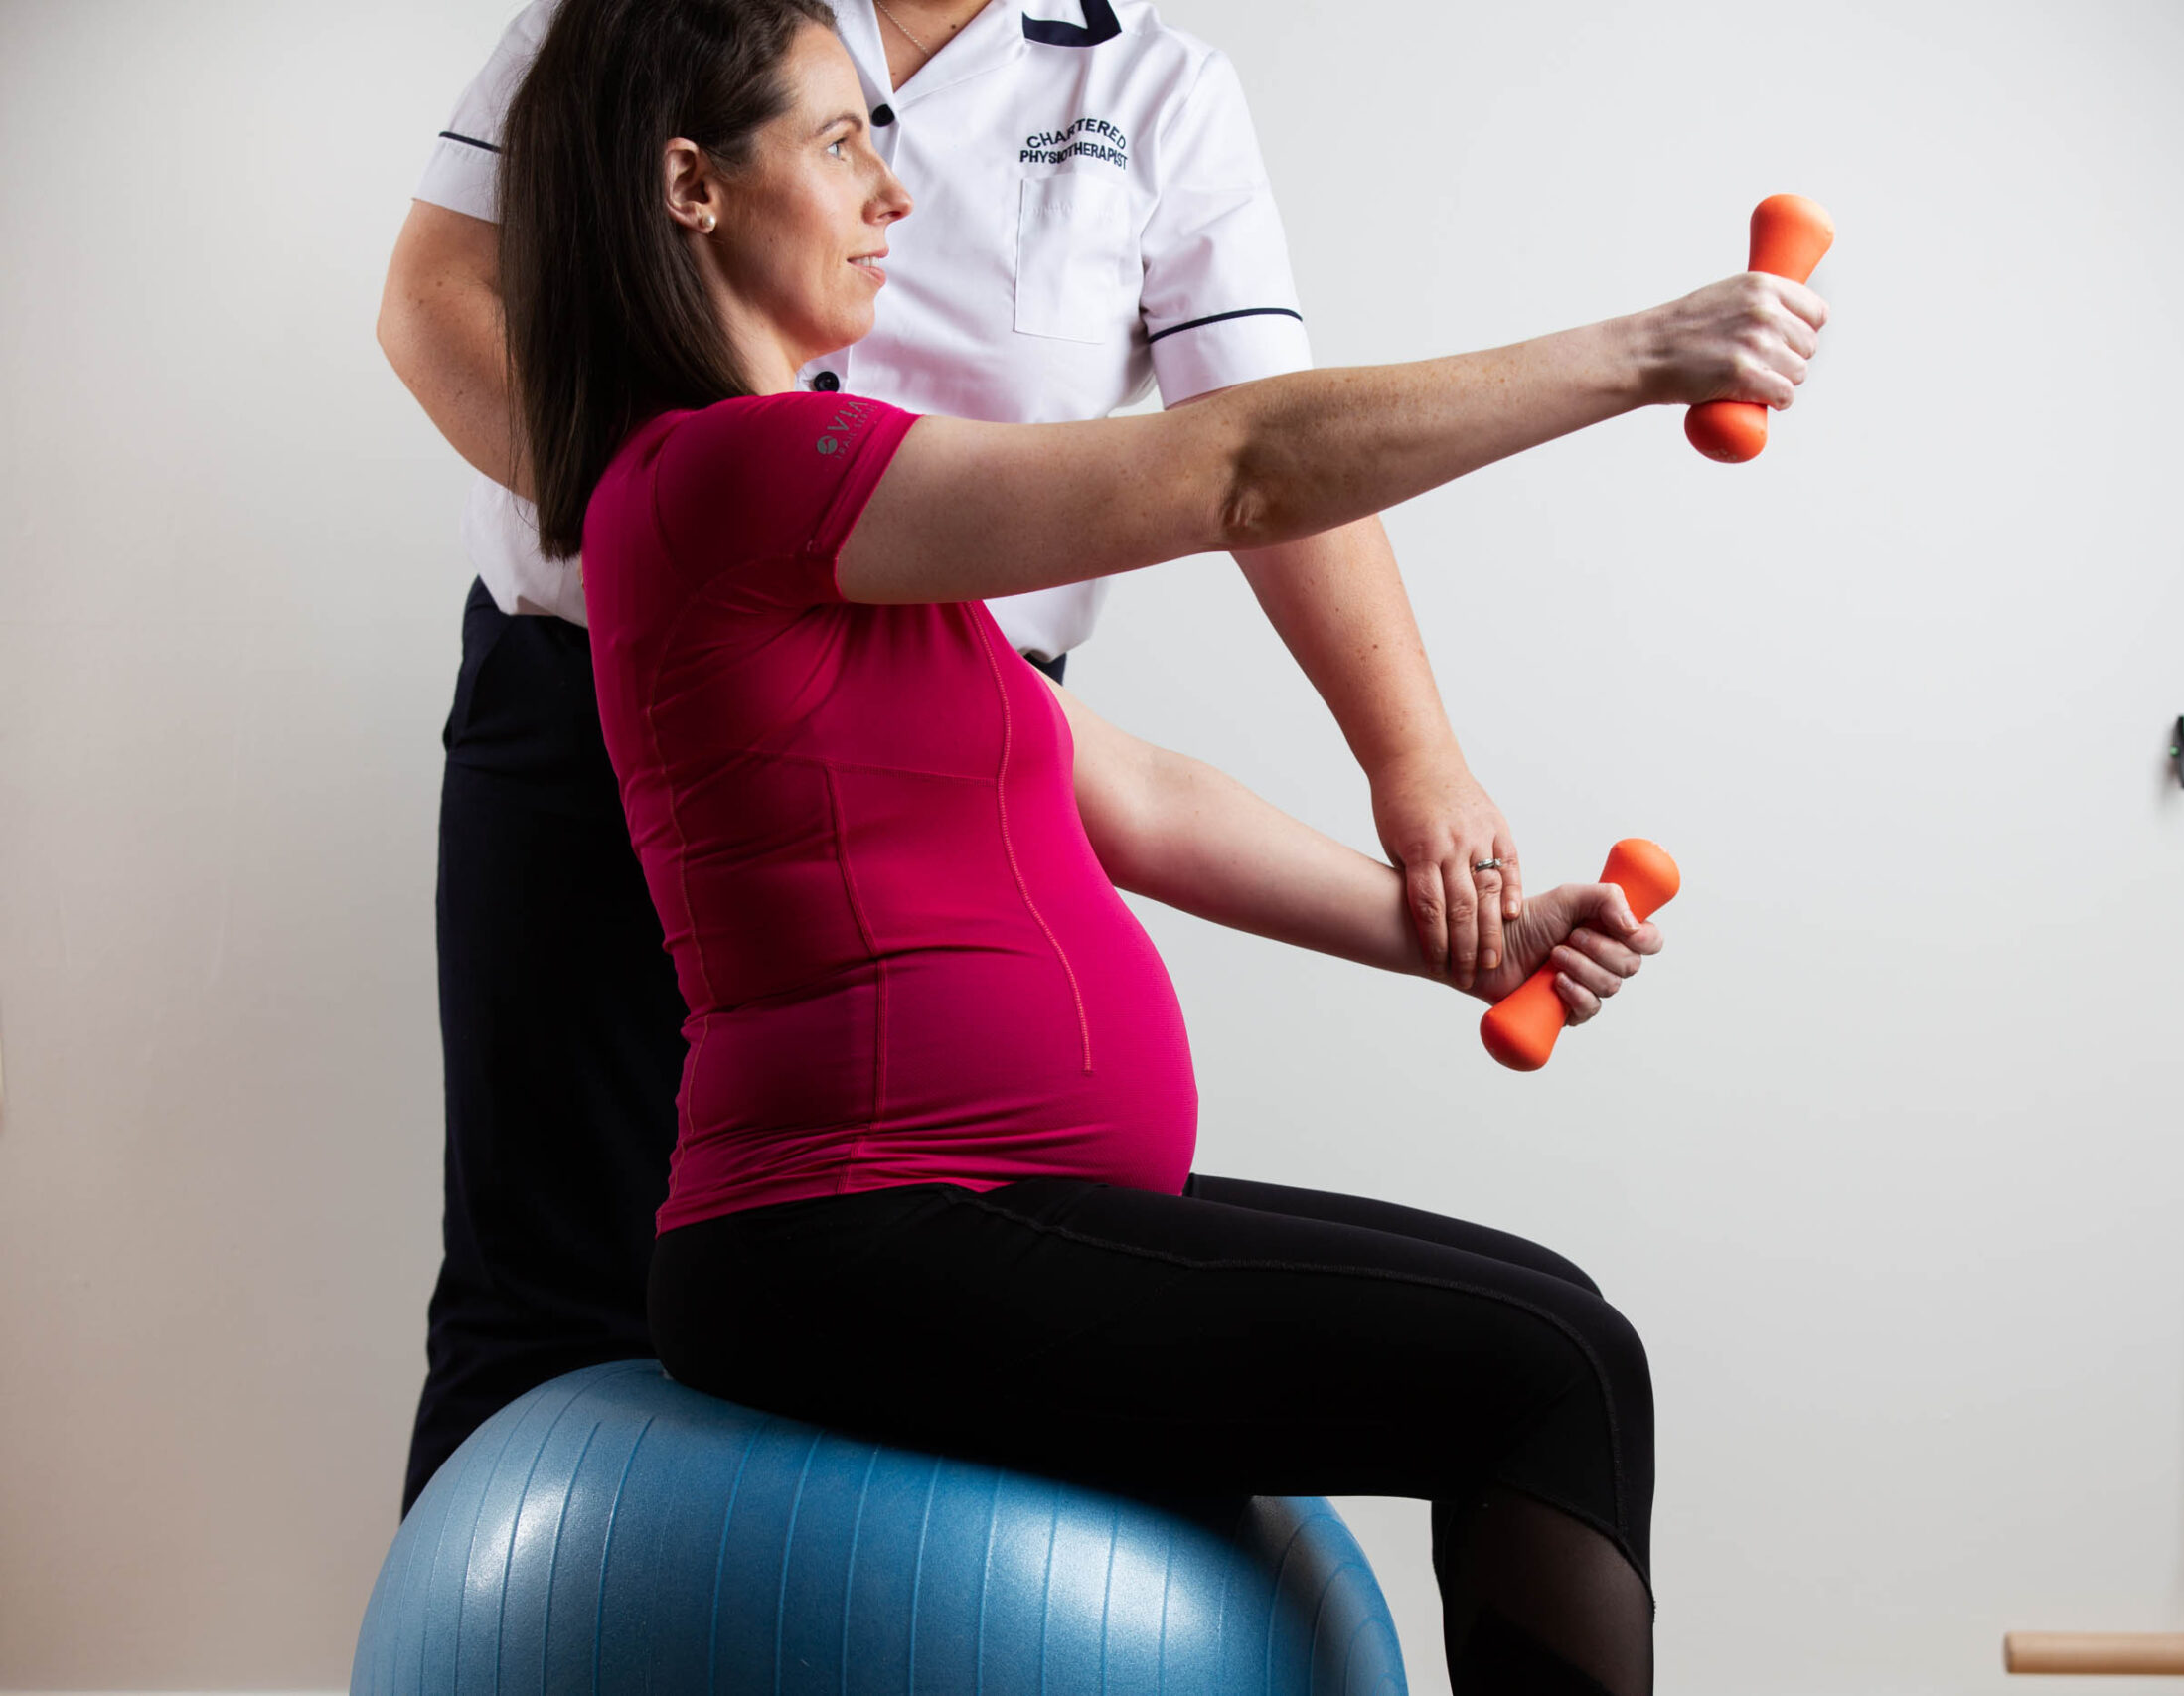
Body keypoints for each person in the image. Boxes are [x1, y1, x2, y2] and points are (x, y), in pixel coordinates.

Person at [501, 3, 1824, 1691]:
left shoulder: (825, 522)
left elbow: (1130, 795)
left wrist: (1454, 937)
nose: (891, 196)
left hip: (959, 1212)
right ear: (691, 186)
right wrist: (1643, 355)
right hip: (857, 1238)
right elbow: (1247, 467)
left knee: (1569, 1334)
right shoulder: (730, 477)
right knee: (1545, 1365)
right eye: (842, 143)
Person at [380, 0, 1532, 1515]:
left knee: (954, 1302)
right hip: (603, 675)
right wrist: (705, 558)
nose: (889, 197)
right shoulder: (664, 22)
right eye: (845, 148)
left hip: (955, 708)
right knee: (549, 1288)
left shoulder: (1158, 88)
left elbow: (1261, 443)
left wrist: (1419, 772)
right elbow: (438, 295)